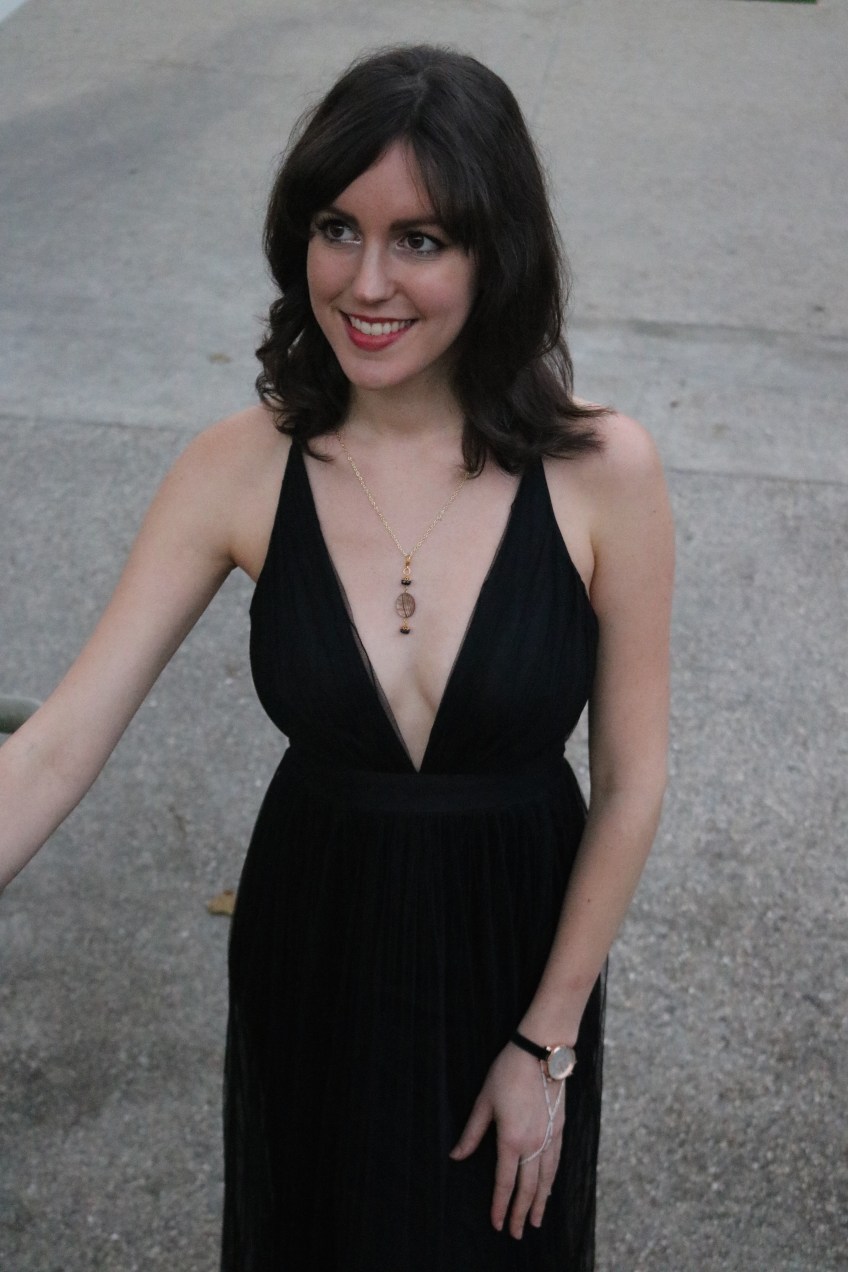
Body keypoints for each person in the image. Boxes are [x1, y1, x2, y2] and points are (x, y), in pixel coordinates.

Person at [0, 44, 673, 1272]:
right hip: (311, 950)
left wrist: (546, 1041)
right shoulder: (235, 467)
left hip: (516, 956)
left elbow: (631, 782)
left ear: (495, 252)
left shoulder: (601, 471)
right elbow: (53, 746)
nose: (366, 283)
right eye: (335, 229)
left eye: (419, 239)